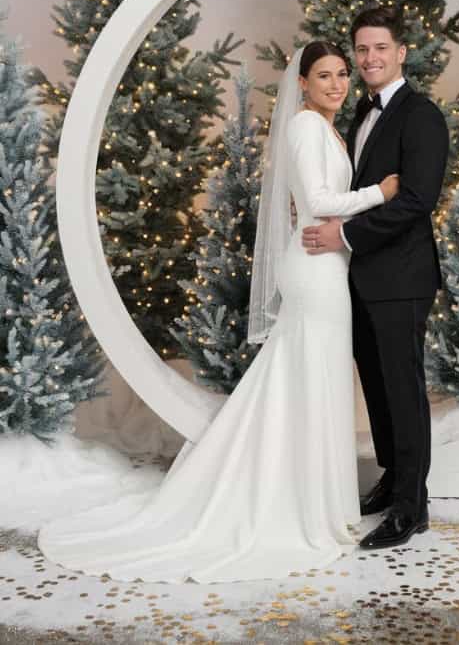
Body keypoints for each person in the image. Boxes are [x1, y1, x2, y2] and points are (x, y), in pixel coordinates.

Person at [37, 41, 400, 583]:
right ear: (302, 83)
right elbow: (320, 202)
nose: (336, 84)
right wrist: (380, 191)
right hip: (314, 270)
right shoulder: (304, 128)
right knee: (310, 375)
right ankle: (301, 507)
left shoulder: (327, 129)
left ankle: (318, 502)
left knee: (313, 379)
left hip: (330, 266)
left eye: (342, 74)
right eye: (323, 76)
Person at [302, 5, 450, 550]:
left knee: (404, 393)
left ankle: (413, 507)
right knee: (379, 391)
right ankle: (392, 482)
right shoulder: (358, 111)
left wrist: (345, 237)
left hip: (402, 278)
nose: (369, 59)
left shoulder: (422, 115)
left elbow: (416, 199)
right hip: (361, 279)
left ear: (401, 52)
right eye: (361, 49)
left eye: (379, 48)